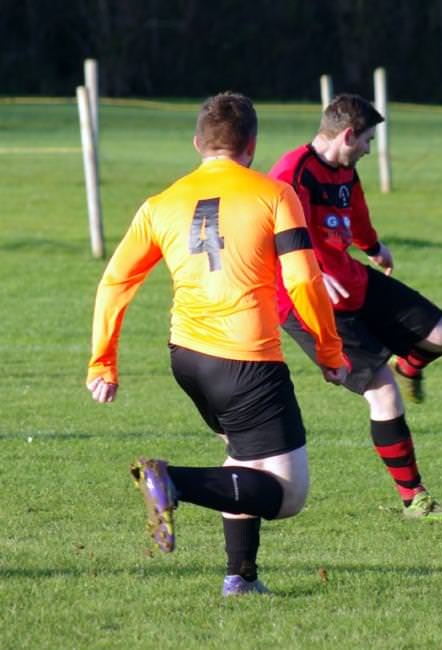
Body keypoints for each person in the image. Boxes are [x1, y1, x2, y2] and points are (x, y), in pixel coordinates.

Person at [86, 92, 347, 596]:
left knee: (243, 463)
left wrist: (103, 362)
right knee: (288, 495)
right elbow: (303, 282)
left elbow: (114, 283)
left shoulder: (160, 203)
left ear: (197, 144)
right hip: (246, 360)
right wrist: (330, 351)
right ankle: (171, 481)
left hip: (187, 358)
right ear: (251, 146)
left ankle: (240, 577)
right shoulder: (274, 195)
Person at [269, 94, 442, 519]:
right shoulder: (291, 172)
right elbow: (276, 230)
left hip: (350, 279)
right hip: (306, 299)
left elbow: (355, 213)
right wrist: (314, 270)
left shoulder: (345, 172)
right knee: (383, 394)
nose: (370, 149)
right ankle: (414, 499)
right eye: (368, 140)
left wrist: (374, 247)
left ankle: (410, 366)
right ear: (348, 135)